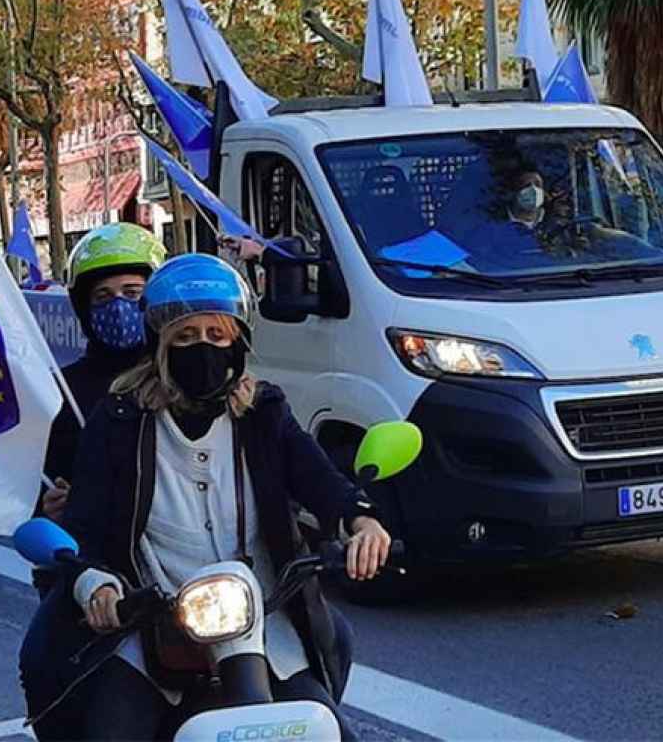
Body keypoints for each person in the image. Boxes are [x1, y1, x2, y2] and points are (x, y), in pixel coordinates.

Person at [21, 254, 388, 742]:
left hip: (263, 625)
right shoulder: (119, 420)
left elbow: (318, 479)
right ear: (159, 347)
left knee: (331, 731)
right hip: (152, 625)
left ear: (239, 342)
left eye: (217, 336)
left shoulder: (265, 412)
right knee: (111, 731)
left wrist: (360, 522)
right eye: (185, 338)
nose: (203, 349)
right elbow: (86, 529)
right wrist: (98, 587)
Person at [40, 223, 169, 521]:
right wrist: (47, 507)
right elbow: (38, 477)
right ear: (84, 307)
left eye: (132, 293)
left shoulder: (179, 378)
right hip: (95, 558)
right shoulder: (63, 390)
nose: (119, 306)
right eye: (103, 297)